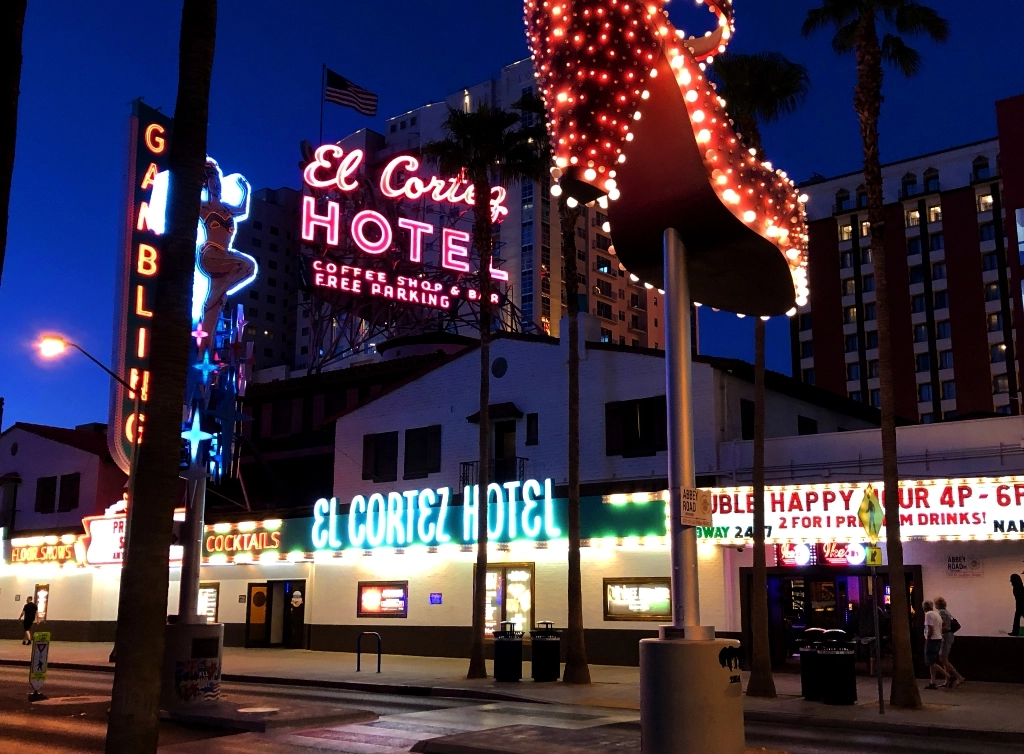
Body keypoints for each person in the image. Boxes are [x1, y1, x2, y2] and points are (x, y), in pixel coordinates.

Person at [934, 597, 964, 687]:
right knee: (944, 658)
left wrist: (937, 631)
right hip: (949, 636)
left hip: (946, 636)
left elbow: (946, 626)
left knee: (942, 658)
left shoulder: (941, 612)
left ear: (938, 604)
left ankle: (958, 677)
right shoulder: (946, 612)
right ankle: (948, 680)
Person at [922, 600, 947, 690]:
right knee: (932, 662)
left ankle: (948, 676)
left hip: (932, 640)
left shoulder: (928, 614)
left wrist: (927, 639)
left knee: (930, 662)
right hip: (938, 639)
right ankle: (932, 682)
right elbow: (943, 624)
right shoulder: (936, 614)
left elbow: (930, 628)